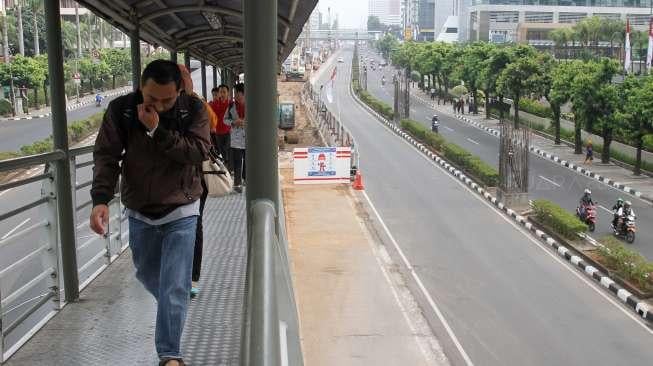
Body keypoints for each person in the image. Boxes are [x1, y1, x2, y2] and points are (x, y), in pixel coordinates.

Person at [90, 59, 211, 366]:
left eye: (166, 100)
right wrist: (101, 198)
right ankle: (175, 303)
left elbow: (198, 151)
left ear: (179, 91)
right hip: (141, 209)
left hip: (182, 208)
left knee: (173, 286)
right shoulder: (122, 110)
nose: (157, 105)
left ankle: (170, 356)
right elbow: (106, 155)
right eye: (151, 98)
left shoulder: (192, 110)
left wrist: (157, 130)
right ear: (140, 87)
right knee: (147, 274)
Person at [224, 83, 246, 193]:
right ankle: (237, 184)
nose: (235, 95)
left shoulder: (252, 104)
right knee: (237, 162)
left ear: (243, 93)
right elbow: (225, 120)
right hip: (236, 139)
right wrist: (233, 122)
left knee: (248, 161)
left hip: (249, 139)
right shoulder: (231, 106)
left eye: (237, 93)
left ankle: (246, 179)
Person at [208, 85, 232, 169]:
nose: (222, 94)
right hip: (218, 132)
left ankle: (229, 167)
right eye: (221, 92)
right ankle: (226, 167)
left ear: (228, 93)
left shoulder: (231, 104)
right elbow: (210, 116)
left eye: (224, 92)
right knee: (222, 151)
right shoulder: (214, 104)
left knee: (228, 149)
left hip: (229, 132)